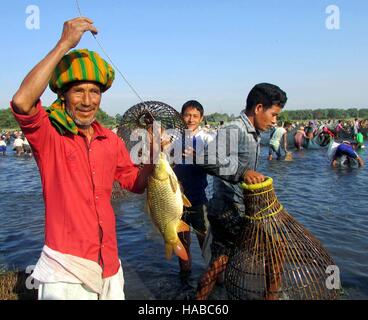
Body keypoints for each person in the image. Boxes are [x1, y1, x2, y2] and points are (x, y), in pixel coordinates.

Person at [11, 17, 157, 300]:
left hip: (111, 266)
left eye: (94, 92)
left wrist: (154, 161)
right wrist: (64, 44)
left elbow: (135, 183)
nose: (88, 101)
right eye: (78, 91)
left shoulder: (110, 140)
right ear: (63, 95)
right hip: (65, 270)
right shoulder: (49, 134)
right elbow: (22, 102)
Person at [194, 83, 288, 300]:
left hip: (230, 207)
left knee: (221, 260)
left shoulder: (253, 132)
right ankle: (271, 297)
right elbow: (205, 158)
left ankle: (199, 298)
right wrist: (243, 172)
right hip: (229, 209)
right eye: (273, 114)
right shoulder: (235, 129)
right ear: (258, 108)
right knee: (277, 249)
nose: (275, 121)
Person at [173, 100, 214, 278]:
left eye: (195, 116)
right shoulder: (173, 137)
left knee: (206, 241)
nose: (191, 119)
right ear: (182, 116)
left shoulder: (207, 138)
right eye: (187, 115)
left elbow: (216, 164)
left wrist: (197, 156)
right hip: (175, 200)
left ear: (201, 118)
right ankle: (185, 275)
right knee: (181, 242)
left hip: (198, 199)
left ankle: (216, 279)